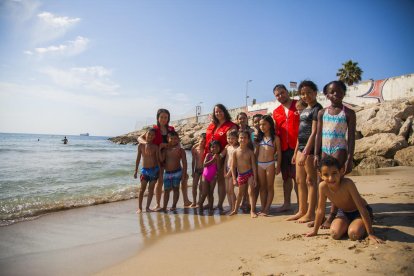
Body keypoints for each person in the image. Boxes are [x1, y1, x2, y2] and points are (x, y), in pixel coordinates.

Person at [304, 156, 384, 244]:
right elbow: (320, 210)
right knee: (335, 234)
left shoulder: (348, 184)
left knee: (354, 234)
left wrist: (370, 233)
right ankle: (349, 224)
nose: (330, 178)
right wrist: (315, 231)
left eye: (334, 173)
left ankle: (360, 225)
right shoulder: (322, 186)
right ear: (320, 175)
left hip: (359, 212)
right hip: (344, 213)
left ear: (341, 171)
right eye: (326, 174)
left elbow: (362, 208)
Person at [314, 80, 356, 228]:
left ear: (344, 93)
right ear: (326, 95)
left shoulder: (349, 113)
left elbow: (351, 137)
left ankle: (333, 214)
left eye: (339, 91)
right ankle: (321, 214)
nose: (336, 94)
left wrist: (349, 158)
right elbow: (318, 134)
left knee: (336, 182)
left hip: (339, 149)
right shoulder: (321, 112)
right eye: (332, 92)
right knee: (323, 181)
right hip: (325, 149)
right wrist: (316, 154)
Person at [138, 109, 192, 210]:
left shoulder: (171, 129)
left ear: (168, 119)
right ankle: (158, 203)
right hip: (158, 157)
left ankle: (186, 200)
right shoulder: (154, 129)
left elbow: (176, 141)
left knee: (184, 177)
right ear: (158, 118)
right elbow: (140, 138)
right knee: (160, 181)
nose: (163, 119)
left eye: (166, 117)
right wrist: (146, 144)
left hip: (171, 156)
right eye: (161, 117)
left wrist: (178, 150)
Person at [288, 81, 323, 223]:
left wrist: (307, 152)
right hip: (301, 148)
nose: (305, 95)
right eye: (302, 93)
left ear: (315, 92)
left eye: (309, 92)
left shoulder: (317, 109)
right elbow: (300, 132)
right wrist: (296, 152)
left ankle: (311, 213)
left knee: (310, 180)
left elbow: (314, 132)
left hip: (311, 149)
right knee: (299, 180)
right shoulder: (305, 109)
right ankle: (302, 210)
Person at [204, 104, 238, 212]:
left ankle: (219, 204)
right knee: (209, 180)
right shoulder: (212, 125)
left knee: (220, 181)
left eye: (220, 111)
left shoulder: (231, 126)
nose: (218, 113)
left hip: (222, 157)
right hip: (209, 157)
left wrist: (221, 155)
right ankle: (210, 203)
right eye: (216, 112)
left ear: (224, 111)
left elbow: (231, 142)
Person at [272, 84, 300, 212]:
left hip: (298, 147)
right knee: (286, 178)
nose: (280, 96)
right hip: (284, 149)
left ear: (287, 92)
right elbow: (276, 132)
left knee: (298, 178)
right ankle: (287, 203)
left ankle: (301, 205)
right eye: (277, 95)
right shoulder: (276, 112)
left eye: (282, 93)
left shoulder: (298, 105)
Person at [255, 115, 282, 216]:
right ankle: (262, 208)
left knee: (270, 187)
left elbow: (279, 153)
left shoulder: (275, 138)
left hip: (270, 163)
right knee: (262, 187)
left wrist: (278, 165)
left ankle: (267, 209)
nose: (262, 126)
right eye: (260, 125)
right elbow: (256, 153)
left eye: (264, 124)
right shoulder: (259, 138)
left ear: (270, 125)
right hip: (259, 164)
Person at [230, 130, 258, 218]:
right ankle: (235, 210)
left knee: (251, 192)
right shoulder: (235, 152)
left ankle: (252, 211)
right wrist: (234, 179)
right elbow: (233, 166)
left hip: (249, 174)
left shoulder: (250, 152)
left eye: (245, 138)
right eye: (241, 138)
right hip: (241, 175)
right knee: (240, 194)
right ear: (238, 139)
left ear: (248, 140)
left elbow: (254, 166)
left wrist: (255, 178)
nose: (243, 139)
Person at [159, 131, 188, 212]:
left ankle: (174, 205)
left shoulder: (181, 150)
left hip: (177, 172)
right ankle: (164, 207)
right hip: (167, 173)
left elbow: (184, 162)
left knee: (176, 189)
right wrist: (159, 148)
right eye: (171, 138)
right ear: (168, 139)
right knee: (166, 190)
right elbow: (161, 159)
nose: (173, 140)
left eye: (175, 139)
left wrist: (184, 174)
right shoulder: (165, 150)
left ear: (178, 140)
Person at [134, 128, 160, 213]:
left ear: (154, 137)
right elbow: (138, 158)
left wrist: (159, 171)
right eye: (149, 134)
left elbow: (157, 160)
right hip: (144, 171)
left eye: (152, 135)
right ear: (145, 135)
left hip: (154, 170)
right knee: (142, 189)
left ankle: (147, 207)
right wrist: (135, 170)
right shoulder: (140, 146)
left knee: (151, 190)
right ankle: (140, 208)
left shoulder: (155, 147)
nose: (150, 136)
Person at [198, 140, 222, 213]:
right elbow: (204, 164)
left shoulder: (218, 156)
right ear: (210, 148)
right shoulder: (208, 155)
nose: (214, 149)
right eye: (213, 147)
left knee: (211, 193)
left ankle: (211, 208)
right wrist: (213, 159)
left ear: (219, 148)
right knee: (205, 192)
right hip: (205, 176)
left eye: (216, 147)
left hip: (213, 177)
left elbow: (218, 168)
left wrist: (217, 160)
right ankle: (200, 204)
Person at [221, 129, 239, 213]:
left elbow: (233, 163)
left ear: (237, 138)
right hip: (227, 169)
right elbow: (226, 160)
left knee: (231, 190)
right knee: (227, 190)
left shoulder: (237, 148)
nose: (230, 140)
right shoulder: (228, 147)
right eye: (228, 138)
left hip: (233, 171)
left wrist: (228, 173)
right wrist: (224, 171)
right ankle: (230, 206)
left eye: (232, 138)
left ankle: (234, 208)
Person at [190, 133, 206, 207]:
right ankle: (194, 201)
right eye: (201, 141)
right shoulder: (194, 149)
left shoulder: (205, 149)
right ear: (198, 140)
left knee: (201, 187)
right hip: (197, 169)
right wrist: (192, 171)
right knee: (194, 186)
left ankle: (199, 202)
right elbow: (193, 161)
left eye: (204, 142)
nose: (202, 143)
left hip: (203, 170)